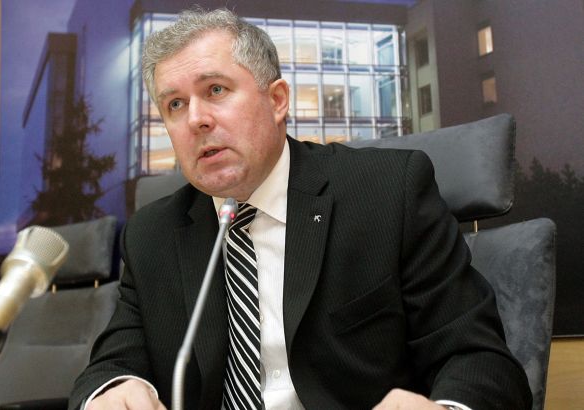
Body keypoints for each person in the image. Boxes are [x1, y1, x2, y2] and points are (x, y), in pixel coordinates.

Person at [70, 8, 531, 410]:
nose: (196, 119)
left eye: (215, 90)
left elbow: (479, 359)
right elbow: (109, 366)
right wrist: (113, 390)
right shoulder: (152, 234)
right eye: (175, 104)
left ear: (277, 100)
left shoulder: (388, 193)